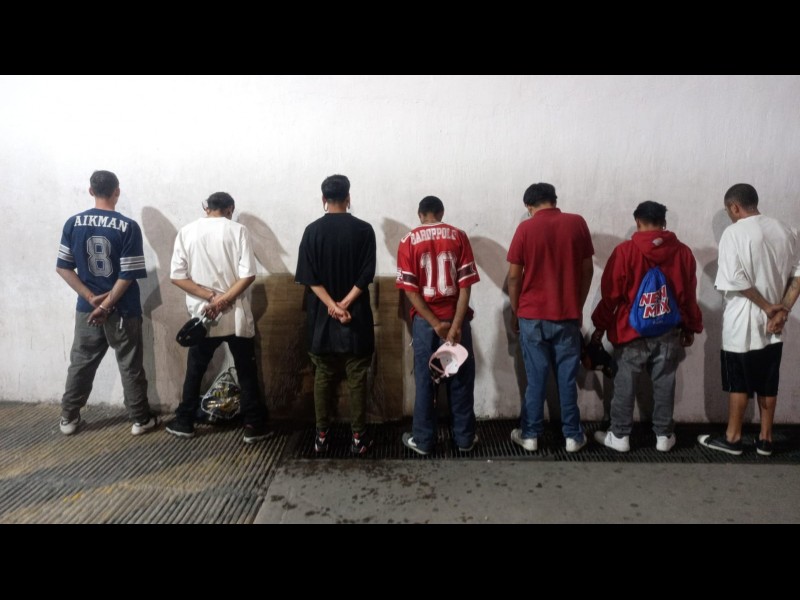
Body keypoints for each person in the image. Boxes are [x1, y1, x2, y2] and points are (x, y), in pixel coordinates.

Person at [590, 201, 704, 452]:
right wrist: (690, 327)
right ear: (664, 223)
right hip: (668, 330)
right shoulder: (683, 253)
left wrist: (600, 326)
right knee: (665, 382)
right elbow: (687, 295)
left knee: (625, 382)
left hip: (631, 331)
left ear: (638, 222)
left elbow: (611, 295)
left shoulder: (625, 252)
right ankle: (664, 436)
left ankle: (620, 436)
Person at [698, 184, 800, 456]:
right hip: (775, 325)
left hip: (742, 322)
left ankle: (733, 438)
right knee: (768, 380)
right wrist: (782, 311)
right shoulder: (785, 230)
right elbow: (798, 273)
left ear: (734, 207)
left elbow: (735, 279)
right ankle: (766, 439)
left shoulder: (733, 233)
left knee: (738, 382)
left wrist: (767, 307)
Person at [56, 170, 159, 436]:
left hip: (87, 309)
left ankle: (68, 418)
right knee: (130, 364)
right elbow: (128, 274)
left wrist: (91, 298)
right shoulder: (128, 226)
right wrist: (107, 305)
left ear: (91, 191)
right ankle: (140, 419)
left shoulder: (73, 223)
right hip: (123, 309)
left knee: (81, 363)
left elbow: (63, 267)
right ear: (117, 191)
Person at [166, 192, 270, 443]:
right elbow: (248, 275)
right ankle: (253, 425)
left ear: (206, 207)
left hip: (203, 317)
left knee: (195, 370)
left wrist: (210, 297)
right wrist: (223, 301)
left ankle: (184, 422)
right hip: (235, 315)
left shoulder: (187, 232)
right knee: (246, 370)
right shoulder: (238, 230)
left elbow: (177, 277)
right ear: (230, 208)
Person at [506, 182, 594, 452]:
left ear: (529, 206)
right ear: (554, 200)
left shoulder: (525, 228)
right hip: (567, 316)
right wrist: (577, 306)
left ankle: (530, 435)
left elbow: (514, 277)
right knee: (567, 379)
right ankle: (573, 436)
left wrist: (516, 311)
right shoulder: (577, 223)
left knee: (536, 379)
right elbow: (587, 270)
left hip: (532, 316)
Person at [295, 175, 376, 455]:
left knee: (323, 376)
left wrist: (332, 305)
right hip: (357, 317)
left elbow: (309, 278)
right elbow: (366, 274)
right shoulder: (364, 230)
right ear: (348, 197)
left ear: (323, 199)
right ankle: (358, 438)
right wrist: (345, 304)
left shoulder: (312, 231)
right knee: (357, 377)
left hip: (322, 319)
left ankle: (321, 437)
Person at [395, 196, 481, 455]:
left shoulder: (408, 241)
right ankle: (464, 439)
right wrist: (454, 326)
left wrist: (435, 324)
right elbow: (465, 287)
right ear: (441, 212)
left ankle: (423, 440)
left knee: (425, 381)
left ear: (420, 214)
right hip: (456, 319)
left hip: (426, 324)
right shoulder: (459, 236)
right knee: (461, 379)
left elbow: (410, 291)